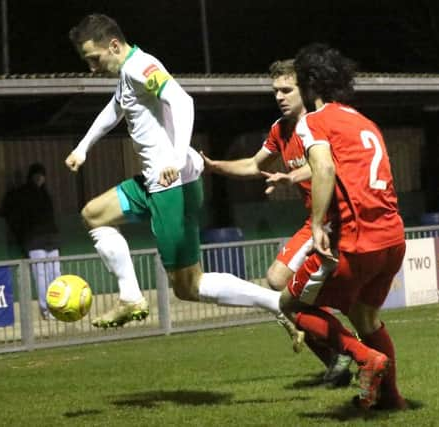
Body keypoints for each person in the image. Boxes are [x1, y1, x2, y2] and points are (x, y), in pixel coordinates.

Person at [65, 14, 287, 332]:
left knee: (188, 287)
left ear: (113, 45)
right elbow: (115, 108)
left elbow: (182, 101)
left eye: (94, 58)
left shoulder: (141, 67)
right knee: (93, 215)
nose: (92, 68)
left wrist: (175, 156)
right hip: (158, 181)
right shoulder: (129, 71)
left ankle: (276, 303)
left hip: (170, 185)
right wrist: (83, 148)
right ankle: (130, 297)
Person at [201, 59, 352, 386]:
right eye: (275, 91)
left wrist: (292, 175)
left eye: (287, 90)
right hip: (315, 221)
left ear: (305, 90)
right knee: (277, 282)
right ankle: (337, 356)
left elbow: (328, 165)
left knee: (304, 294)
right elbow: (253, 165)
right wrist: (214, 166)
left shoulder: (320, 122)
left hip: (341, 220)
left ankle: (346, 350)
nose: (280, 97)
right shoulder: (279, 130)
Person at [276, 43, 407, 410]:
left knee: (291, 304)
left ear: (310, 85)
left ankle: (365, 359)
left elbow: (325, 168)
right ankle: (391, 400)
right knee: (366, 317)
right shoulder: (363, 121)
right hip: (393, 238)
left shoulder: (314, 121)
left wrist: (317, 223)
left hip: (358, 239)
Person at [0, 162, 61, 319]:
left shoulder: (45, 194)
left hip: (49, 239)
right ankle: (46, 309)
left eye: (42, 175)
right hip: (35, 240)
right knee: (41, 274)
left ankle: (56, 305)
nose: (40, 178)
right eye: (37, 175)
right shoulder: (24, 194)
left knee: (55, 273)